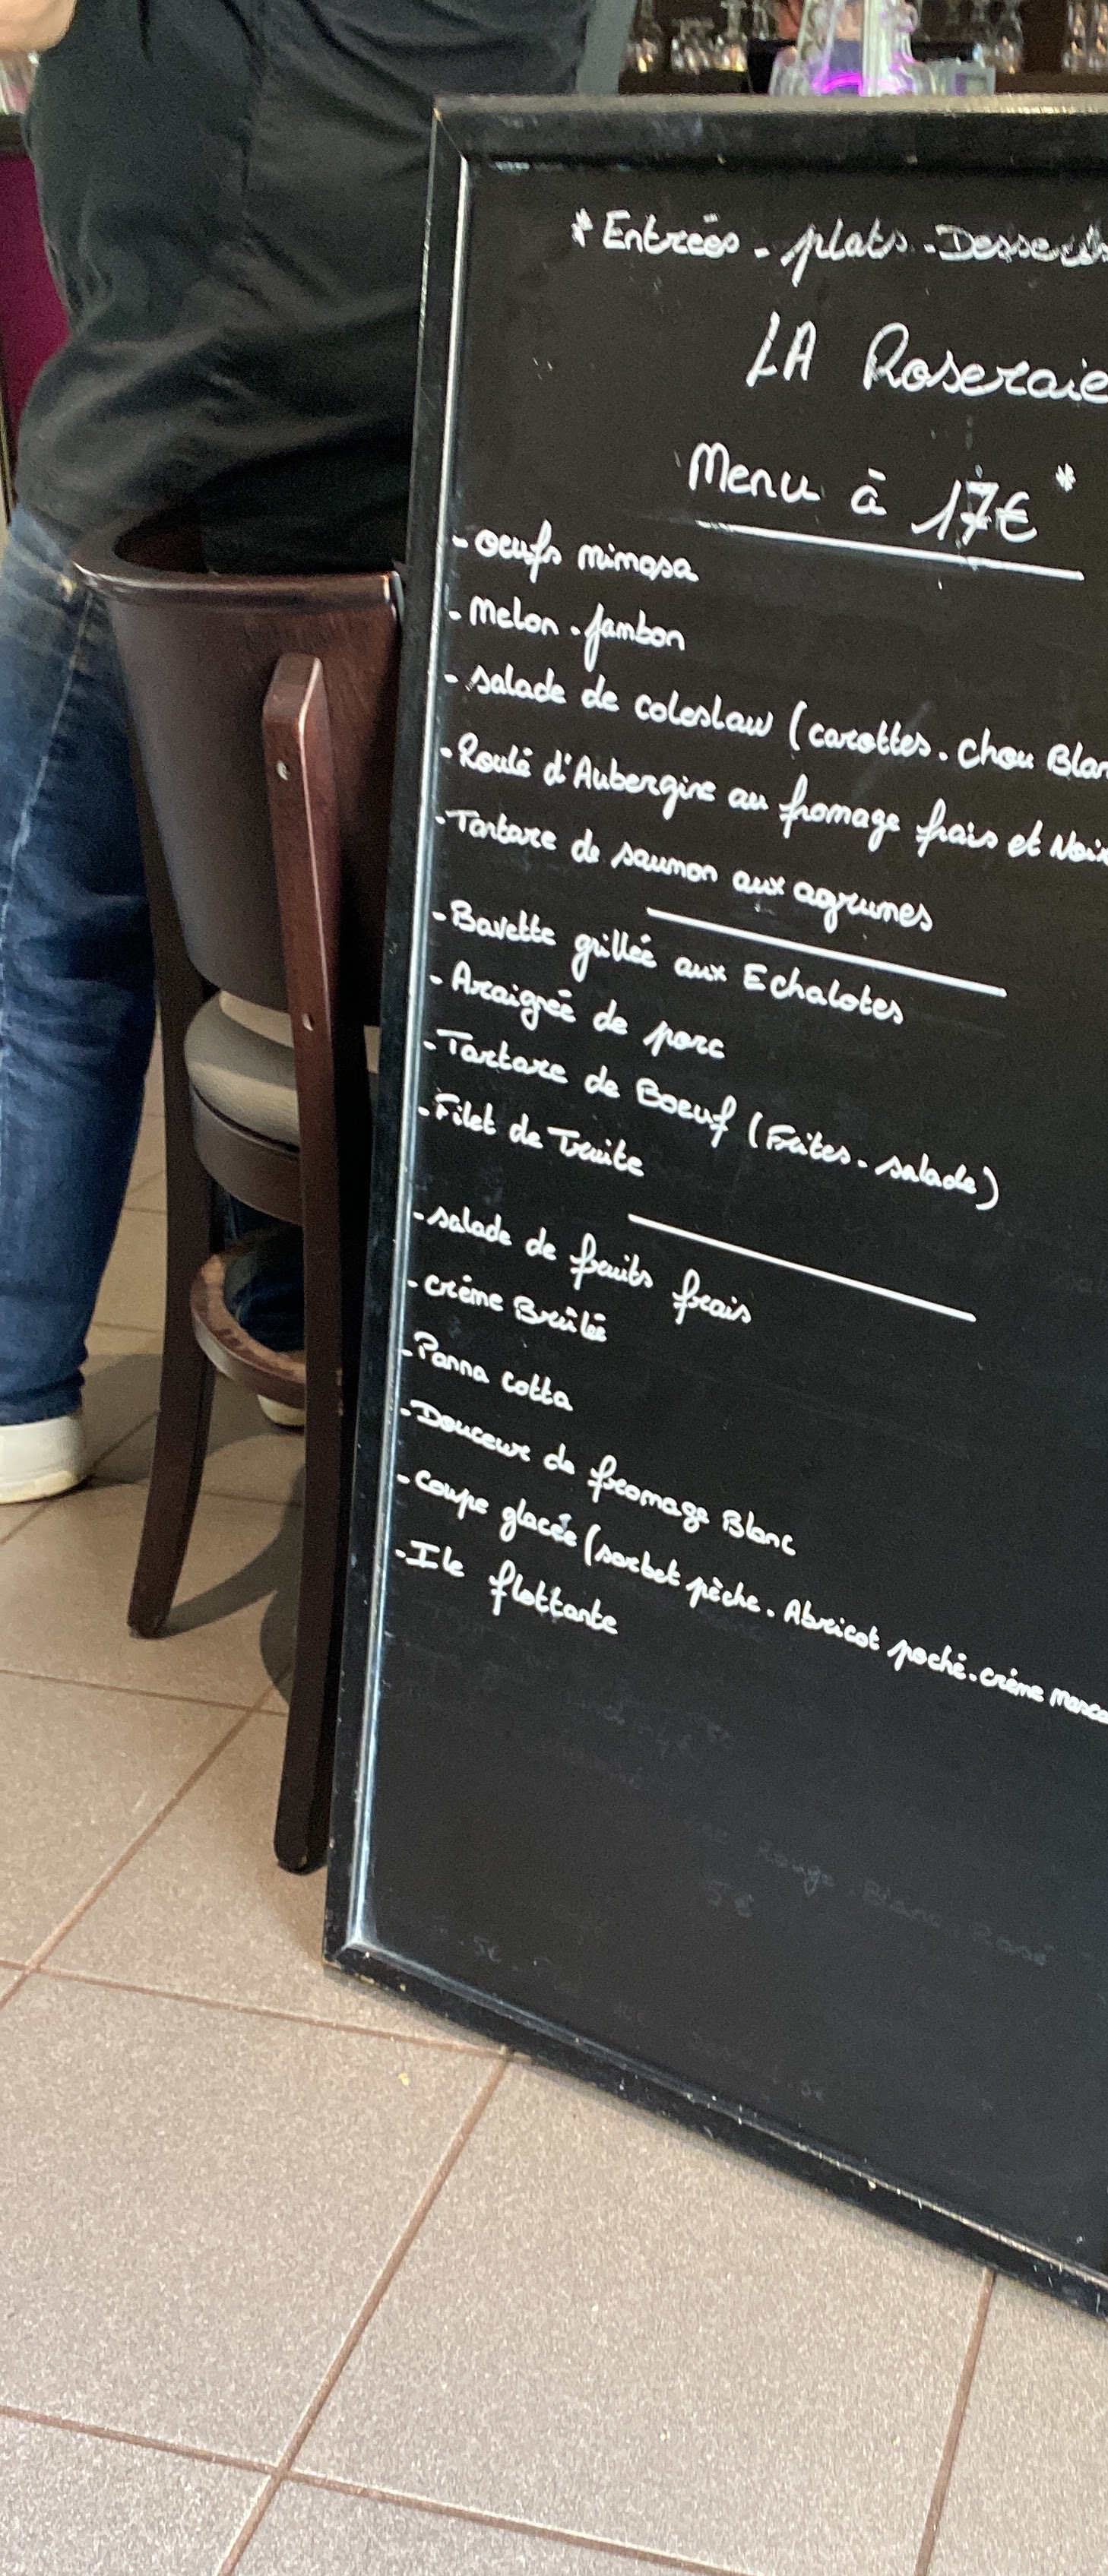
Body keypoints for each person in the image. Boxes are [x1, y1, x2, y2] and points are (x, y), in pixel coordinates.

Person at [0, 0, 589, 1503]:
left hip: (158, 467)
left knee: (52, 950)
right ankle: (289, 1311)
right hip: (424, 488)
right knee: (314, 955)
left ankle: (10, 1387)